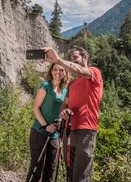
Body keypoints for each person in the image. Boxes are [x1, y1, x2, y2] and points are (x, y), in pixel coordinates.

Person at [44, 46, 103, 182]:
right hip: (69, 130)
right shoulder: (72, 84)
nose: (73, 61)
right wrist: (63, 111)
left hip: (86, 130)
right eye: (71, 59)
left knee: (81, 176)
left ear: (85, 58)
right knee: (70, 172)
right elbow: (65, 104)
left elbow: (80, 70)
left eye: (75, 58)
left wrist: (58, 60)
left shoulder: (94, 73)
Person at [26, 63, 69, 182]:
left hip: (55, 135)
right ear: (51, 71)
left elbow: (63, 110)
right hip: (40, 131)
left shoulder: (65, 90)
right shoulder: (45, 86)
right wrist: (46, 126)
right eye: (55, 69)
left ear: (65, 72)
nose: (58, 72)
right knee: (37, 169)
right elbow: (36, 108)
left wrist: (61, 121)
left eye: (61, 70)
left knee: (50, 170)